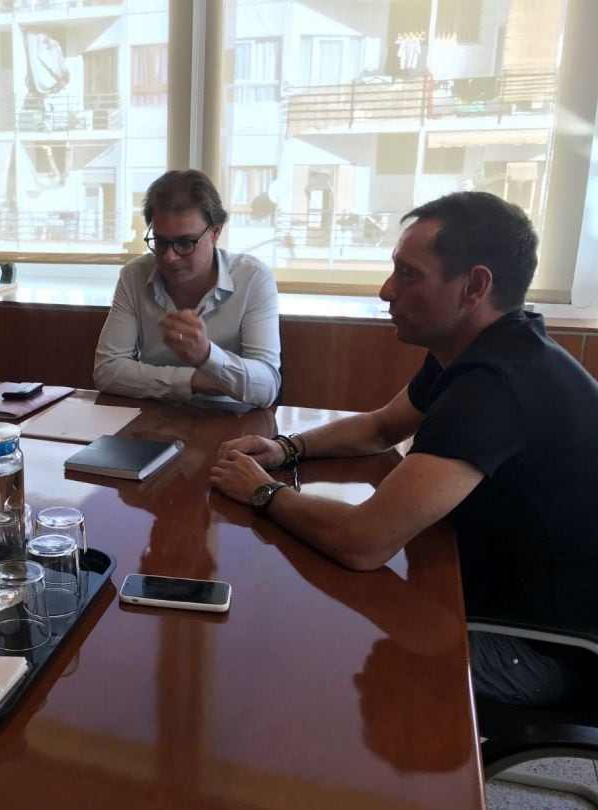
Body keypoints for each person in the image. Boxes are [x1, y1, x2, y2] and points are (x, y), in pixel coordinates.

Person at [210, 191, 598, 706]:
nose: (386, 289)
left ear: (474, 287)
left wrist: (262, 493)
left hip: (542, 646)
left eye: (408, 274)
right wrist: (285, 449)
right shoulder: (480, 347)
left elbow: (364, 542)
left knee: (308, 656)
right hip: (495, 591)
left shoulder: (496, 385)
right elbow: (379, 427)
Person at [93, 170, 281, 409]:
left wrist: (207, 356)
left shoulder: (253, 278)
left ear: (215, 233)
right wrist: (194, 380)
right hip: (153, 420)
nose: (170, 257)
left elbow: (267, 387)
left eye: (185, 243)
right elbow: (107, 371)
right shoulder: (134, 276)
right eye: (160, 242)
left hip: (233, 424)